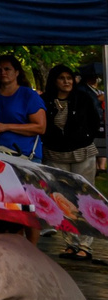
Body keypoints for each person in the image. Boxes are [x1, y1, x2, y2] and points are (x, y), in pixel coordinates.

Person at [42, 64, 101, 261]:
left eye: (70, 78)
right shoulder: (46, 101)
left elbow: (94, 121)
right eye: (62, 78)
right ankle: (70, 242)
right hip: (56, 153)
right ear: (54, 81)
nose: (67, 82)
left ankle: (85, 244)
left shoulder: (83, 98)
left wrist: (83, 137)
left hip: (82, 152)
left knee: (85, 198)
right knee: (62, 199)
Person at [0, 55, 47, 160]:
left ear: (17, 72)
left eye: (7, 69)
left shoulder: (29, 95)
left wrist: (6, 127)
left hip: (24, 155)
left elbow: (40, 127)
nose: (2, 72)